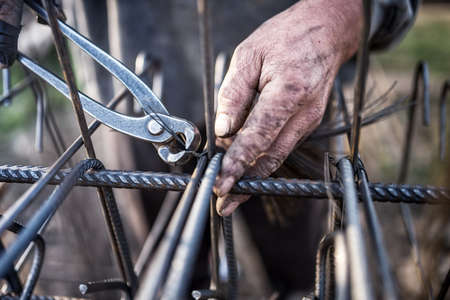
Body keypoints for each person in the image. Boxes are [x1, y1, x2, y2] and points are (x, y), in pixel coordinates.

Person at [0, 0, 418, 297]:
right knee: (173, 270)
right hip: (129, 107)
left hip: (288, 95)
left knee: (307, 272)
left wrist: (339, 14)